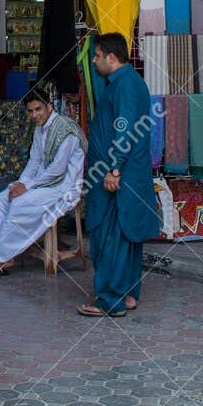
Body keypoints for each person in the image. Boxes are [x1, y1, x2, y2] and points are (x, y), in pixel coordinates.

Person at [0, 89, 85, 279]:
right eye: (30, 111)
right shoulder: (39, 130)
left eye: (38, 109)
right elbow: (34, 162)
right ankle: (4, 259)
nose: (34, 115)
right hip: (43, 183)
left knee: (19, 203)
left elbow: (57, 169)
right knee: (2, 199)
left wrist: (27, 187)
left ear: (49, 107)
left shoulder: (65, 129)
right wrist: (19, 184)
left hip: (64, 187)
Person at [81, 32, 161, 316]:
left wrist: (114, 168)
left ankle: (110, 300)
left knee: (111, 235)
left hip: (116, 176)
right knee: (125, 236)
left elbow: (124, 128)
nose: (94, 60)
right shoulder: (127, 82)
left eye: (97, 55)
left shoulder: (125, 85)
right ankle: (127, 294)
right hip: (125, 173)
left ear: (111, 57)